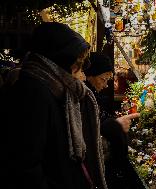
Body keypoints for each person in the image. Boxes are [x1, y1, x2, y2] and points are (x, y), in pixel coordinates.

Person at [0, 22, 107, 189]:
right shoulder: (33, 92)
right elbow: (25, 164)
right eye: (76, 65)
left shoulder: (55, 89)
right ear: (61, 59)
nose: (81, 75)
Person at [84, 52, 147, 189]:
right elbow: (92, 126)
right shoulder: (84, 97)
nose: (106, 85)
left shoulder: (91, 95)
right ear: (89, 76)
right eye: (103, 79)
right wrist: (115, 124)